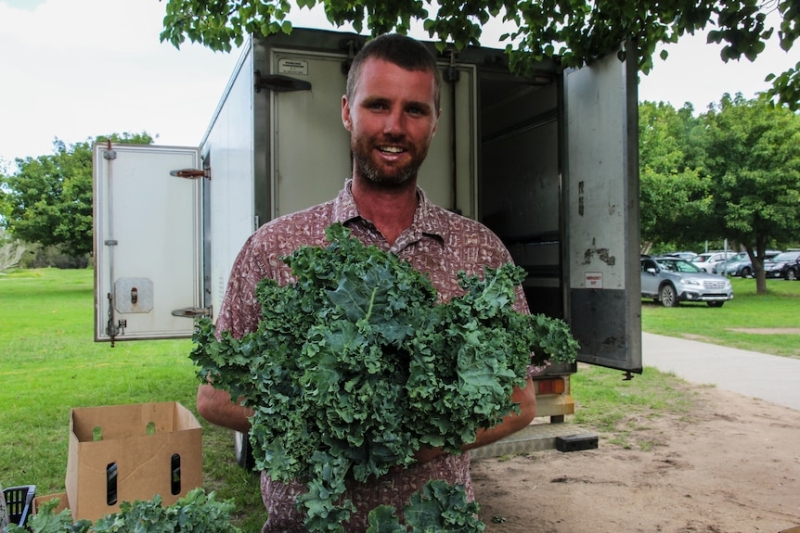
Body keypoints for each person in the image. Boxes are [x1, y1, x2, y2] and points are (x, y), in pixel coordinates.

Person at [196, 32, 536, 532]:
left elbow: (520, 400)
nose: (394, 126)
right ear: (347, 112)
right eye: (378, 105)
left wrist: (415, 438)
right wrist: (335, 426)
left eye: (415, 110)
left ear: (435, 122)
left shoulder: (478, 250)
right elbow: (215, 396)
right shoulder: (276, 247)